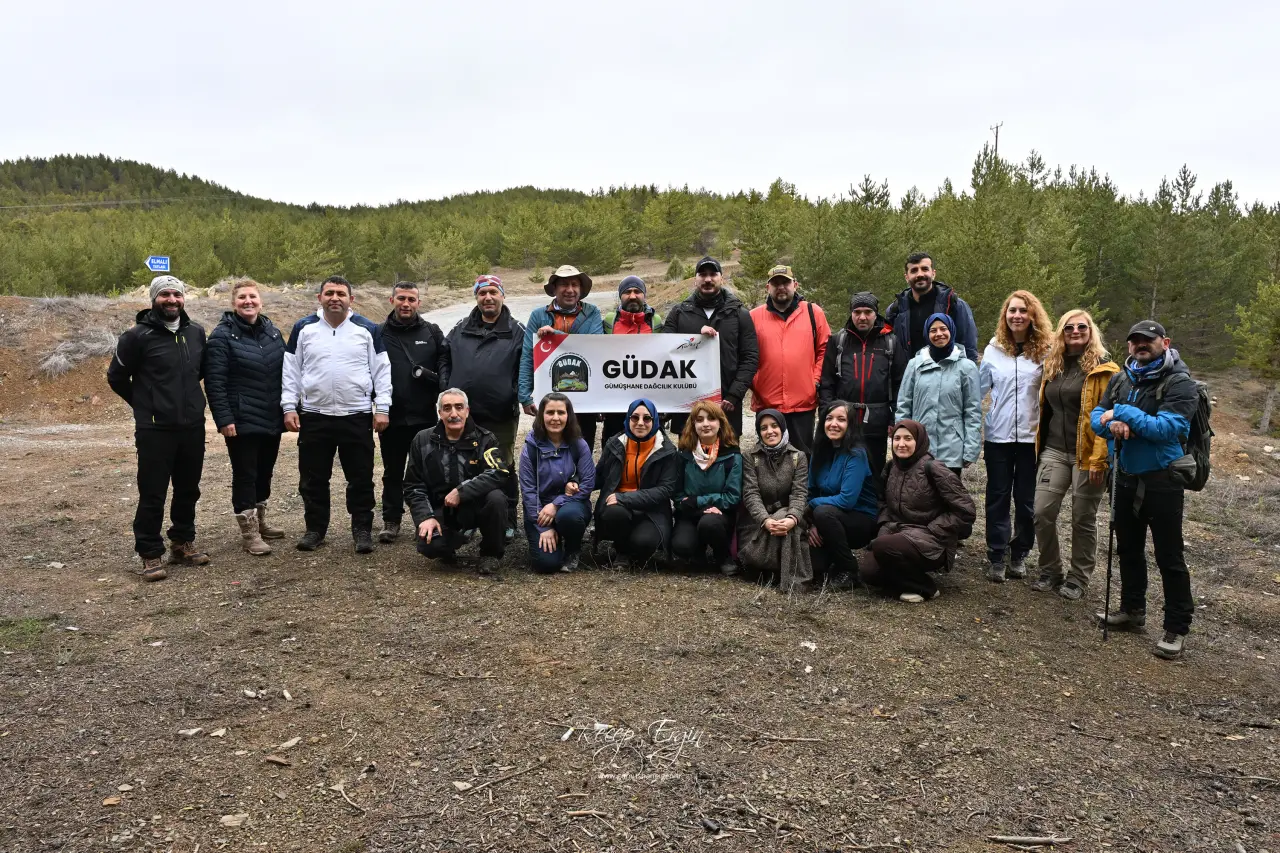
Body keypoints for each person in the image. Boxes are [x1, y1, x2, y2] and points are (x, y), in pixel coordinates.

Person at [1091, 320, 1200, 660]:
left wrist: (1121, 413)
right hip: (1124, 475)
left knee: (1169, 556)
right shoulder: (1122, 378)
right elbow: (1097, 416)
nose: (1141, 345)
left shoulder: (1180, 383)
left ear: (1165, 343)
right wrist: (1112, 423)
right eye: (1135, 340)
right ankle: (1132, 610)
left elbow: (1167, 429)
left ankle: (1176, 627)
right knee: (1128, 548)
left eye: (1148, 340)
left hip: (1163, 480)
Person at [107, 275, 211, 580]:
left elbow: (197, 373)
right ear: (154, 299)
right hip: (155, 430)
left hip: (192, 426)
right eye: (165, 294)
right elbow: (116, 377)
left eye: (177, 294)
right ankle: (150, 552)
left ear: (183, 299)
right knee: (153, 492)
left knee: (188, 489)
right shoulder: (136, 336)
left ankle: (182, 542)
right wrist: (145, 405)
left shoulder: (196, 333)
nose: (172, 300)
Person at [281, 275, 391, 554]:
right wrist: (289, 406)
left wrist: (382, 408)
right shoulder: (304, 328)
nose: (335, 298)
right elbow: (291, 370)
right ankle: (315, 529)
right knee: (313, 478)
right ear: (319, 298)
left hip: (356, 414)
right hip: (315, 415)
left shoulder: (367, 329)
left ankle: (362, 529)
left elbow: (381, 370)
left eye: (341, 294)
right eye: (329, 293)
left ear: (351, 299)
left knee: (361, 477)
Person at [1031, 310, 1120, 599]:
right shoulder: (1053, 365)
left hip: (1088, 455)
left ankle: (1078, 577)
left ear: (1091, 331)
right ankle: (1050, 570)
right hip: (1054, 450)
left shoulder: (1106, 371)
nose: (1075, 331)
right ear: (1061, 332)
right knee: (1042, 512)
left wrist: (1100, 459)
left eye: (1082, 327)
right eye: (1069, 327)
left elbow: (1109, 418)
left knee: (1083, 518)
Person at [203, 279, 286, 556]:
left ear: (260, 301)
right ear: (233, 303)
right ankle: (249, 533)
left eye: (252, 296)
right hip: (241, 420)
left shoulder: (272, 331)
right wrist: (224, 419)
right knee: (246, 474)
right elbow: (215, 382)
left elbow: (285, 372)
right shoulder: (221, 336)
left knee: (265, 471)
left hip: (272, 416)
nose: (248, 301)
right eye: (242, 298)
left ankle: (260, 522)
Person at [439, 275, 525, 539]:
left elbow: (527, 366)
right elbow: (444, 356)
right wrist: (446, 386)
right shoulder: (460, 328)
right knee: (464, 464)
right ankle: (467, 519)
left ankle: (507, 519)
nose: (488, 297)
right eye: (482, 293)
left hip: (501, 414)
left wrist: (514, 392)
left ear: (502, 295)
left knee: (502, 466)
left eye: (493, 292)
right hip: (464, 415)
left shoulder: (518, 330)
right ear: (476, 297)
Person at [979, 290, 1052, 583]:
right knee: (997, 496)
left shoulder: (1047, 351)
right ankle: (996, 554)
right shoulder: (994, 349)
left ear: (1033, 315)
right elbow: (978, 390)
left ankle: (1019, 552)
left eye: (1023, 310)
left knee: (1026, 499)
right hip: (998, 435)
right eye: (1012, 310)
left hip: (1032, 438)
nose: (1017, 316)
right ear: (1005, 315)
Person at [860, 420, 976, 602]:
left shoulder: (934, 468)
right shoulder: (891, 467)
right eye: (897, 438)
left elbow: (966, 510)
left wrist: (934, 529)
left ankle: (925, 587)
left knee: (882, 546)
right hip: (898, 533)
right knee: (868, 572)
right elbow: (882, 501)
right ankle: (906, 582)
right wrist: (886, 523)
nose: (901, 444)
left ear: (920, 441)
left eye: (908, 438)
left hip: (932, 539)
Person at [403, 389, 510, 578]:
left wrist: (462, 491)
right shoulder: (422, 440)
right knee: (430, 546)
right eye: (447, 408)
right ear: (439, 413)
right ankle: (451, 542)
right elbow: (413, 485)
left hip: (476, 505)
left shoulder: (485, 439)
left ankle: (491, 553)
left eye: (459, 407)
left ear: (467, 411)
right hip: (442, 508)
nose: (454, 413)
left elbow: (498, 472)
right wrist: (425, 517)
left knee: (497, 498)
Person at [377, 281, 446, 543]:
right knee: (392, 472)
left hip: (425, 416)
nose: (406, 304)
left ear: (419, 302)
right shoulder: (378, 333)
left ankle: (431, 518)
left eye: (411, 299)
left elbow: (444, 362)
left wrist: (443, 386)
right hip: (391, 417)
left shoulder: (432, 331)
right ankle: (391, 520)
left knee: (429, 472)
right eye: (401, 298)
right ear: (392, 300)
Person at [661, 257, 759, 437]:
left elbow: (750, 357)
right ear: (695, 279)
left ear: (722, 278)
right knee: (690, 453)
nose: (708, 279)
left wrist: (734, 395)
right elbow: (665, 351)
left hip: (726, 404)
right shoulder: (678, 313)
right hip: (688, 405)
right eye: (702, 274)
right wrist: (696, 337)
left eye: (713, 274)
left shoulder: (740, 314)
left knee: (728, 453)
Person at [819, 291, 903, 481]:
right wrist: (826, 415)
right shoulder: (838, 341)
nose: (862, 317)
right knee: (842, 471)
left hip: (877, 420)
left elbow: (900, 384)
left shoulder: (891, 342)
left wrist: (894, 418)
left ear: (876, 313)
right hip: (844, 420)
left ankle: (873, 500)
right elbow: (827, 383)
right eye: (857, 312)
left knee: (874, 472)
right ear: (851, 313)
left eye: (868, 312)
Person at [518, 265, 605, 449]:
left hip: (585, 399)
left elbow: (595, 347)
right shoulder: (538, 316)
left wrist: (555, 335)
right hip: (549, 401)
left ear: (581, 289)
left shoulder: (592, 313)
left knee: (583, 449)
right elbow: (528, 356)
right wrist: (525, 396)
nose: (570, 290)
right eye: (564, 284)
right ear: (555, 288)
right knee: (548, 449)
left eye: (574, 284)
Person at [748, 265, 829, 454]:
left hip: (803, 403)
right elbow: (745, 355)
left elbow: (825, 350)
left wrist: (815, 380)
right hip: (767, 403)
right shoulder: (753, 317)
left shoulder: (813, 312)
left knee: (802, 457)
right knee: (768, 458)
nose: (781, 287)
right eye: (775, 283)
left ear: (795, 285)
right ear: (768, 288)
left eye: (785, 282)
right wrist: (755, 383)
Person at [594, 399, 681, 568]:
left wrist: (625, 498)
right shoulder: (614, 443)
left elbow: (665, 489)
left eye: (647, 418)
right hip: (618, 508)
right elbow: (599, 476)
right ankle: (621, 550)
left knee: (644, 543)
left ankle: (634, 546)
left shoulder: (667, 450)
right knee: (613, 514)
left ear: (655, 420)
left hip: (651, 511)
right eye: (635, 417)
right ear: (628, 419)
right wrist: (576, 482)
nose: (640, 423)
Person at [894, 313, 982, 474]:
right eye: (933, 330)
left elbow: (972, 411)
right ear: (927, 334)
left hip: (952, 449)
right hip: (919, 448)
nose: (939, 334)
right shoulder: (914, 365)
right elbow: (904, 406)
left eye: (943, 329)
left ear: (951, 331)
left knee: (947, 490)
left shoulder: (967, 367)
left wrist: (971, 448)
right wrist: (902, 440)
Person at [519, 393, 596, 574]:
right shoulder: (531, 447)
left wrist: (556, 504)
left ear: (569, 416)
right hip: (539, 511)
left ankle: (572, 549)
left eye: (561, 412)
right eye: (550, 412)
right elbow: (528, 491)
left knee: (570, 517)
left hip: (571, 505)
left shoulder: (579, 444)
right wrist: (543, 527)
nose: (555, 418)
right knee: (547, 564)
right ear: (541, 416)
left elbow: (587, 484)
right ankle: (552, 539)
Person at [805, 401, 879, 590]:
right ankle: (833, 560)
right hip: (827, 517)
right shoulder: (819, 451)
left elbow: (847, 500)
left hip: (860, 519)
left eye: (841, 419)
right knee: (816, 569)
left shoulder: (856, 454)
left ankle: (849, 570)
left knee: (823, 512)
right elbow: (810, 491)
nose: (834, 424)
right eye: (829, 418)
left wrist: (813, 507)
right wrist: (812, 524)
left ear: (850, 424)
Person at [737, 408, 812, 592]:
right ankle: (773, 569)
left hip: (790, 515)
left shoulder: (798, 457)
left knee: (786, 523)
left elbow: (799, 493)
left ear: (783, 428)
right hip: (757, 520)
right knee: (774, 526)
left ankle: (779, 574)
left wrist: (792, 518)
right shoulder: (750, 457)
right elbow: (751, 493)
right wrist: (765, 520)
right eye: (764, 428)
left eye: (774, 426)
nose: (769, 431)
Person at [672, 401, 743, 574]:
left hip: (719, 514)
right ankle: (698, 551)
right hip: (690, 512)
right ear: (693, 424)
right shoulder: (684, 454)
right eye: (699, 420)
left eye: (711, 419)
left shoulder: (732, 456)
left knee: (709, 524)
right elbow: (677, 494)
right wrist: (694, 506)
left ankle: (723, 555)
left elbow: (732, 497)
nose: (705, 424)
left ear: (720, 423)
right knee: (681, 546)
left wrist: (698, 501)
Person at [885, 252, 980, 363]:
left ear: (933, 273)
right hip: (910, 372)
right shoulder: (895, 310)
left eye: (925, 269)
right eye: (914, 270)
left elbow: (969, 347)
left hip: (947, 371)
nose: (920, 274)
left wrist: (969, 371)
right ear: (906, 277)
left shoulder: (954, 304)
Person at [601, 275, 664, 442]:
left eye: (637, 291)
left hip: (648, 401)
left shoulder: (656, 323)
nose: (632, 296)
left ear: (644, 295)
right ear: (620, 296)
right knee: (612, 446)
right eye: (627, 292)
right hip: (615, 401)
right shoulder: (609, 322)